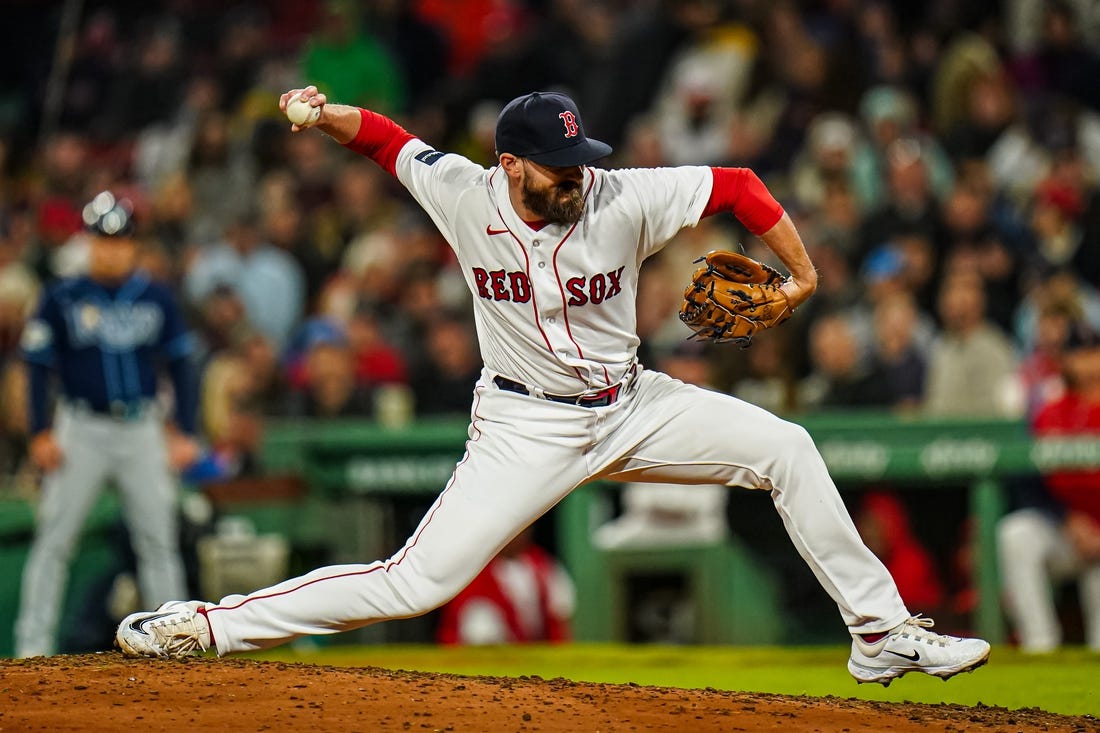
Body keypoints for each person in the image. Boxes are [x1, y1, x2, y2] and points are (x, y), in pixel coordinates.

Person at [116, 87, 990, 685]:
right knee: (414, 582)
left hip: (635, 406)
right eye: (558, 165)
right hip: (522, 426)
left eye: (581, 157)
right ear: (509, 165)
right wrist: (319, 113)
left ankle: (880, 634)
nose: (578, 174)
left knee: (787, 448)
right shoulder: (463, 193)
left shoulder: (622, 196)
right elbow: (386, 141)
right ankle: (208, 624)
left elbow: (744, 185)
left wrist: (799, 278)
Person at [16, 191, 200, 657]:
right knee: (54, 542)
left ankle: (174, 643)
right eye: (102, 238)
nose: (111, 248)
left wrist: (185, 429)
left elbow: (181, 365)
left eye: (120, 239)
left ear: (134, 245)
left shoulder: (156, 295)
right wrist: (39, 431)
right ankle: (30, 651)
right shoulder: (62, 296)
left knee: (159, 541)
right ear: (88, 241)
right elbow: (37, 367)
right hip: (81, 428)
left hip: (141, 428)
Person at [997, 323, 1100, 652]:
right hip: (1067, 531)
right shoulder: (1051, 408)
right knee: (1016, 534)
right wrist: (1066, 518)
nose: (1086, 363)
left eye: (1092, 353)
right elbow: (1026, 478)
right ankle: (1039, 647)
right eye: (1078, 354)